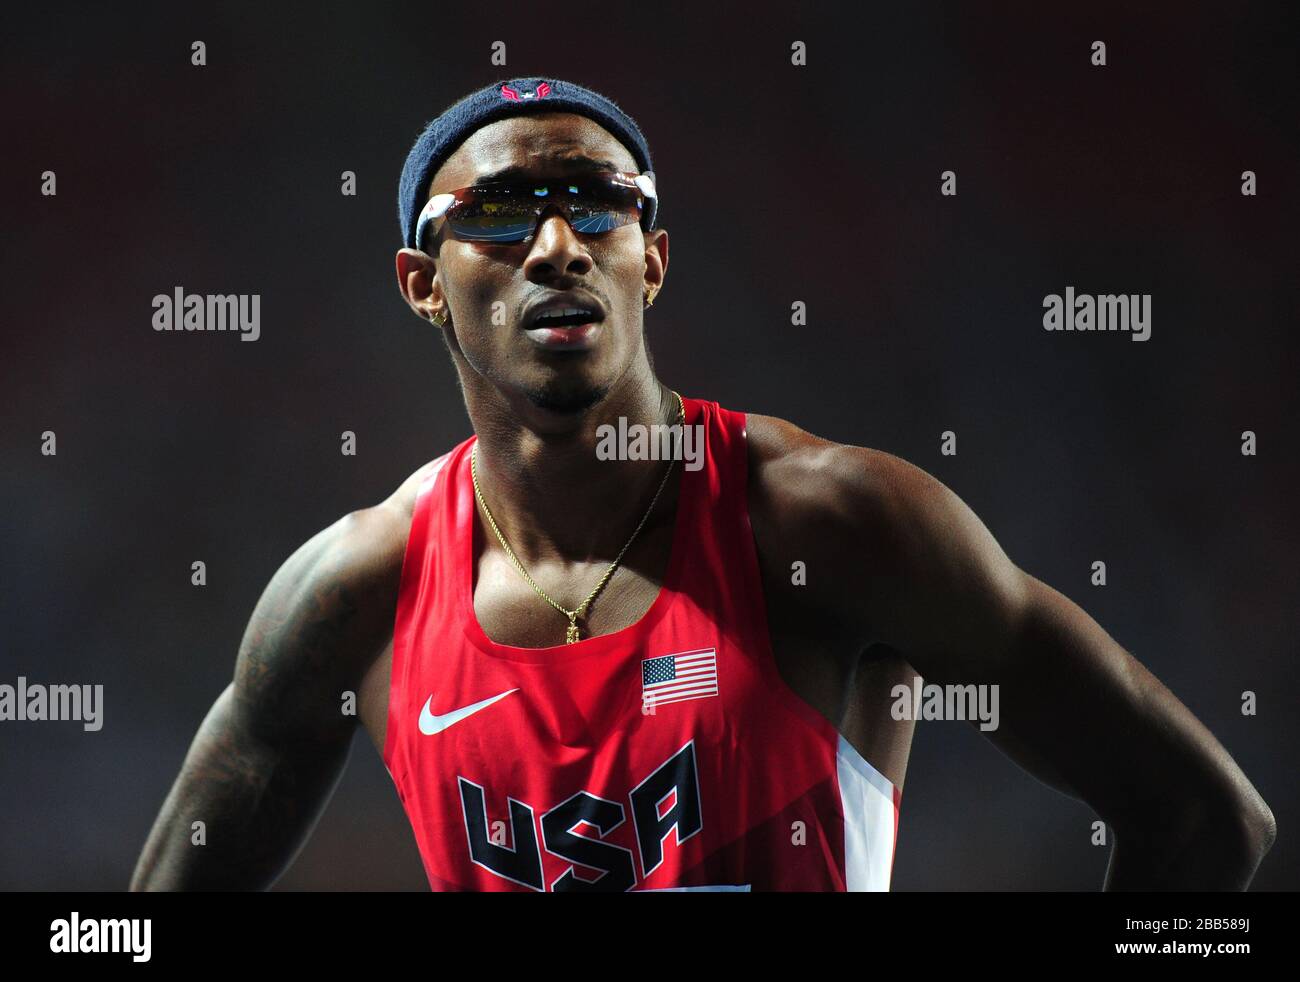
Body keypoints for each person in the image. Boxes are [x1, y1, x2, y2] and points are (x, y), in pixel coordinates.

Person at [131, 77, 1275, 891]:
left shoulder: (828, 520)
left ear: (651, 259)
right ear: (422, 284)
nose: (554, 245)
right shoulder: (354, 591)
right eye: (494, 214)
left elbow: (1206, 821)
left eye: (596, 202)